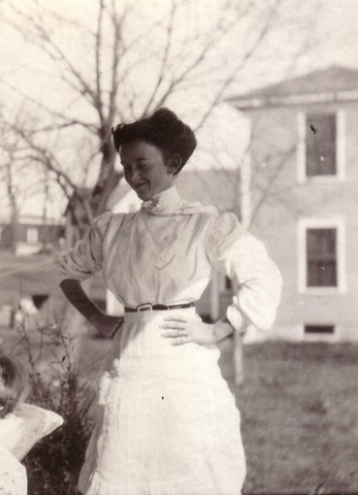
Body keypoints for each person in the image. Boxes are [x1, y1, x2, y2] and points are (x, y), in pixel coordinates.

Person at [58, 108, 282, 495]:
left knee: (188, 461)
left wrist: (220, 328)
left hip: (182, 358)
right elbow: (66, 274)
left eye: (142, 164)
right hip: (130, 358)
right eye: (126, 167)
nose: (132, 176)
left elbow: (263, 276)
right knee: (124, 456)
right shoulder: (113, 228)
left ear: (173, 163)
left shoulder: (204, 225)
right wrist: (97, 318)